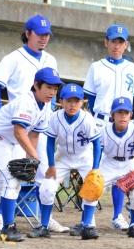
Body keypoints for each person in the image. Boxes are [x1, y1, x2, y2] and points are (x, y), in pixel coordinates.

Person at [0, 14, 68, 233]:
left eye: (47, 35)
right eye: (40, 34)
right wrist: (1, 111)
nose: (44, 38)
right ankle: (1, 220)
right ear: (28, 34)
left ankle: (45, 220)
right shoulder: (13, 58)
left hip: (39, 123)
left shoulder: (50, 60)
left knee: (43, 173)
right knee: (9, 175)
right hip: (16, 126)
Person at [0, 68, 63, 241]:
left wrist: (29, 158)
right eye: (48, 87)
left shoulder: (45, 108)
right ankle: (9, 227)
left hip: (9, 143)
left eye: (55, 88)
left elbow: (33, 135)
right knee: (11, 181)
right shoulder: (26, 102)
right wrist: (34, 156)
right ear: (36, 85)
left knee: (4, 187)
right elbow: (19, 132)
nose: (52, 92)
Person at [81, 24, 134, 233]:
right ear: (106, 42)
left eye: (121, 42)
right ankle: (87, 221)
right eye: (113, 41)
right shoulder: (96, 67)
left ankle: (117, 216)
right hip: (101, 122)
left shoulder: (131, 68)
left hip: (123, 123)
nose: (117, 45)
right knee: (95, 174)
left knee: (125, 172)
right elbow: (89, 95)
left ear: (126, 45)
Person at [26, 83, 102, 240]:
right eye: (68, 100)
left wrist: (95, 168)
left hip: (84, 156)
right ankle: (44, 226)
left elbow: (96, 144)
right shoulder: (55, 117)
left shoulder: (87, 119)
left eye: (76, 101)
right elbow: (49, 141)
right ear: (61, 101)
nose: (72, 104)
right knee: (46, 188)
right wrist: (51, 165)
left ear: (83, 102)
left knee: (93, 186)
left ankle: (87, 225)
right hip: (62, 157)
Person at [97, 97, 134, 238]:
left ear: (131, 114)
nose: (123, 116)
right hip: (109, 163)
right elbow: (98, 150)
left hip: (129, 164)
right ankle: (87, 223)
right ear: (112, 114)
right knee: (93, 188)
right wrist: (95, 168)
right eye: (119, 112)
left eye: (126, 112)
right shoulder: (104, 130)